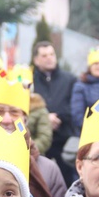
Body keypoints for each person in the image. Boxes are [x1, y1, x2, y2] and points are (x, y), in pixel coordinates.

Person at [32, 41, 78, 185]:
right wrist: (46, 118)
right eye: (44, 55)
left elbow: (75, 106)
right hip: (39, 138)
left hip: (64, 138)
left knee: (66, 181)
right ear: (36, 60)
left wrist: (58, 117)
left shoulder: (69, 79)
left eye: (52, 54)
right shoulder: (29, 81)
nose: (49, 58)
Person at [8, 64, 53, 155]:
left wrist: (28, 149)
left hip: (32, 155)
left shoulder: (39, 109)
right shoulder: (4, 108)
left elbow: (45, 137)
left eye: (25, 87)